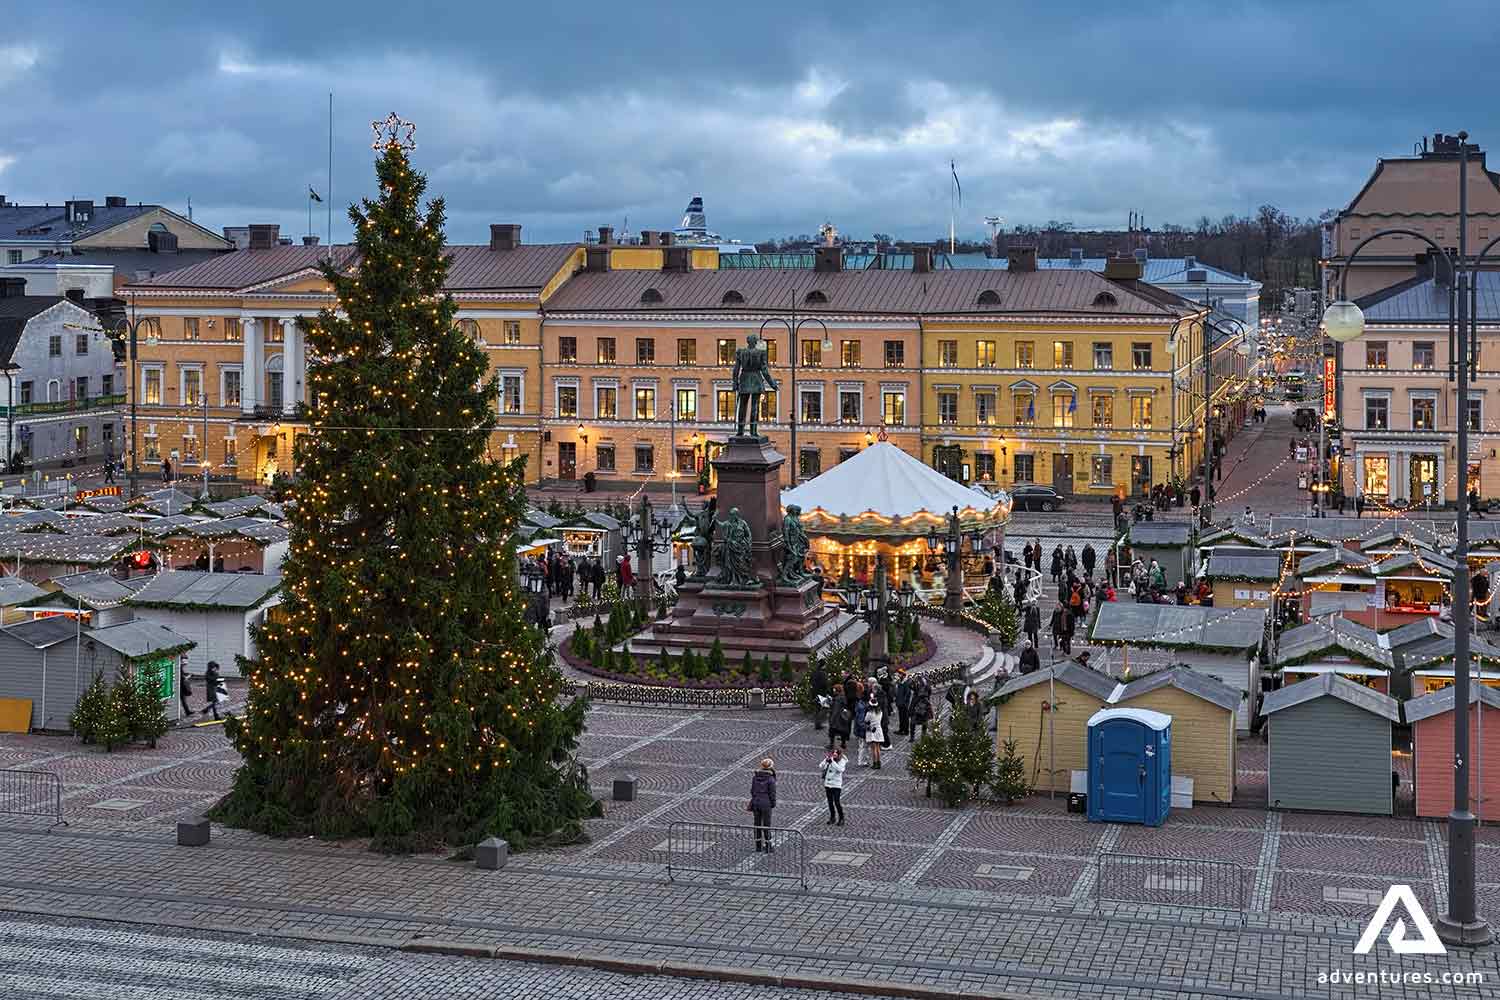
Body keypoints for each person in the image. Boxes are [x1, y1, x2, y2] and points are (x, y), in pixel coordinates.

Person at [749, 758, 777, 852]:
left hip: (756, 802)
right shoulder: (771, 779)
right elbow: (772, 794)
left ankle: (758, 846)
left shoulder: (755, 777)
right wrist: (772, 804)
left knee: (757, 824)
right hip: (766, 804)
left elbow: (752, 791)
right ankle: (768, 846)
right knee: (766, 825)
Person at [820, 748, 847, 826]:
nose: (834, 754)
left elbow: (840, 769)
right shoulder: (830, 759)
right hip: (828, 784)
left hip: (836, 785)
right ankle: (832, 817)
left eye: (836, 753)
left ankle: (841, 818)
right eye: (833, 753)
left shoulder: (842, 761)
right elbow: (821, 766)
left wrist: (833, 762)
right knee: (830, 802)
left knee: (837, 802)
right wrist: (826, 761)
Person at [863, 691, 885, 768]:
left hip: (872, 730)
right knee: (878, 748)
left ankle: (875, 763)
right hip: (879, 729)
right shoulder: (880, 712)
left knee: (873, 748)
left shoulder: (869, 713)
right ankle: (879, 762)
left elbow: (866, 721)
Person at [908, 676, 933, 743]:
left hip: (924, 707)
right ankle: (912, 737)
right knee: (913, 723)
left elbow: (928, 693)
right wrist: (912, 680)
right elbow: (910, 685)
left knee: (924, 723)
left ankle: (922, 736)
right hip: (916, 707)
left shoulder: (927, 688)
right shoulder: (917, 688)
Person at [811, 659, 830, 731]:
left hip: (815, 693)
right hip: (822, 693)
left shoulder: (814, 672)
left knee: (817, 708)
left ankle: (817, 723)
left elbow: (811, 681)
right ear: (824, 665)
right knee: (824, 708)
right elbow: (825, 684)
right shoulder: (823, 673)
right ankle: (818, 723)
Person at [894, 670, 912, 736]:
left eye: (900, 674)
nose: (898, 675)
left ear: (903, 675)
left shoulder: (906, 683)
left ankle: (906, 731)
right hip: (899, 703)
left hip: (904, 704)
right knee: (901, 717)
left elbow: (907, 694)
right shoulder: (899, 682)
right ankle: (901, 729)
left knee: (905, 717)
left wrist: (904, 702)